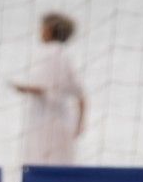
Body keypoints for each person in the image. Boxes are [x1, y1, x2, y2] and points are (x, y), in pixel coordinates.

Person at [10, 12, 86, 166]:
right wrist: (80, 123)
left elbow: (43, 88)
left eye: (42, 28)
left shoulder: (49, 53)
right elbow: (81, 95)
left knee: (39, 167)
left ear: (50, 30)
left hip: (46, 124)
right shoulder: (65, 55)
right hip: (64, 123)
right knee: (62, 169)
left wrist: (21, 88)